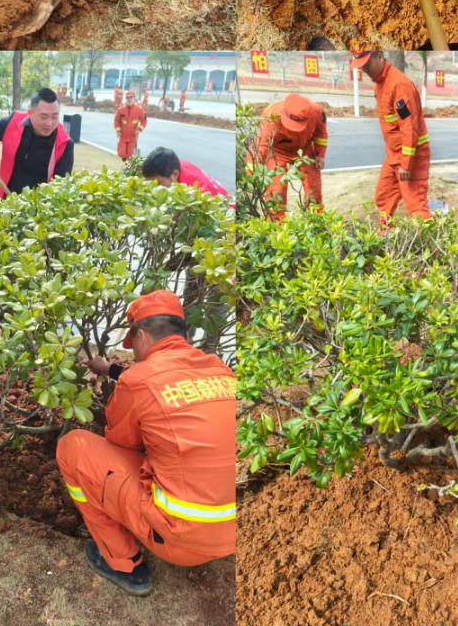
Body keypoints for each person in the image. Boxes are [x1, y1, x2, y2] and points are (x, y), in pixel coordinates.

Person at [57, 290, 235, 595]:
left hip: (181, 540)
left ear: (141, 336)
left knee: (73, 447)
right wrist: (111, 370)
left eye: (133, 345)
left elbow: (121, 442)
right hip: (232, 532)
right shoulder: (221, 371)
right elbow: (165, 382)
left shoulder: (139, 380)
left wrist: (122, 390)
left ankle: (124, 563)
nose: (135, 354)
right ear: (183, 333)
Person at [351, 51, 430, 225]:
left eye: (367, 64)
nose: (365, 70)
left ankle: (431, 239)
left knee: (416, 204)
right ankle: (386, 232)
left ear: (379, 57)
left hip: (411, 156)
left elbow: (409, 126)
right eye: (362, 67)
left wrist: (406, 163)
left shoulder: (400, 85)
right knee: (384, 196)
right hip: (393, 155)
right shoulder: (380, 84)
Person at [0, 89, 74, 195]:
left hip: (39, 203)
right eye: (44, 117)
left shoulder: (65, 144)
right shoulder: (14, 122)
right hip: (7, 200)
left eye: (54, 116)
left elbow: (59, 188)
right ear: (30, 113)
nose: (49, 123)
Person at [247, 93, 327, 215]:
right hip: (278, 151)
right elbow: (262, 143)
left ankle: (316, 218)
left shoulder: (317, 112)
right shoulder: (271, 114)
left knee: (313, 185)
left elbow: (320, 134)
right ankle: (277, 222)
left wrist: (320, 155)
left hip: (304, 150)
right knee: (276, 189)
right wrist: (251, 170)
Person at [141, 147, 229, 199]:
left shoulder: (196, 193)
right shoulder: (174, 165)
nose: (154, 188)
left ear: (175, 174)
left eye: (158, 183)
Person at [115, 90, 147, 160]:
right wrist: (118, 131)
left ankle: (128, 164)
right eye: (128, 98)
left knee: (130, 155)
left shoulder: (140, 110)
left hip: (133, 136)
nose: (129, 100)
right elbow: (116, 121)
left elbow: (144, 121)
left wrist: (139, 129)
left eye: (131, 98)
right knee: (121, 153)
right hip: (123, 136)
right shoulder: (120, 110)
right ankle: (125, 162)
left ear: (134, 98)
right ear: (126, 99)